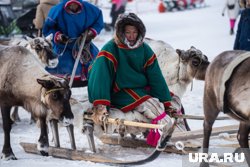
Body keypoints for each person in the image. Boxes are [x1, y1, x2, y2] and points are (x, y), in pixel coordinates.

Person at [87, 13, 178, 146]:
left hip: (139, 90)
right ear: (121, 33)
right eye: (128, 32)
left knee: (174, 100)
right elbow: (100, 76)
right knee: (151, 105)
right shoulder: (111, 48)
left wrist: (167, 103)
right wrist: (100, 104)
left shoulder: (144, 49)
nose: (131, 36)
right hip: (117, 92)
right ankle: (173, 135)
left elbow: (156, 77)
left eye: (134, 32)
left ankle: (177, 130)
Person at [42, 0, 104, 81]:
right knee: (57, 68)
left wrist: (91, 33)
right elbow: (48, 28)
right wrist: (58, 36)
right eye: (71, 4)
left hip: (83, 45)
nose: (73, 6)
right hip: (63, 46)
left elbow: (98, 20)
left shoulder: (89, 9)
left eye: (75, 4)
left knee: (96, 65)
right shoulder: (57, 10)